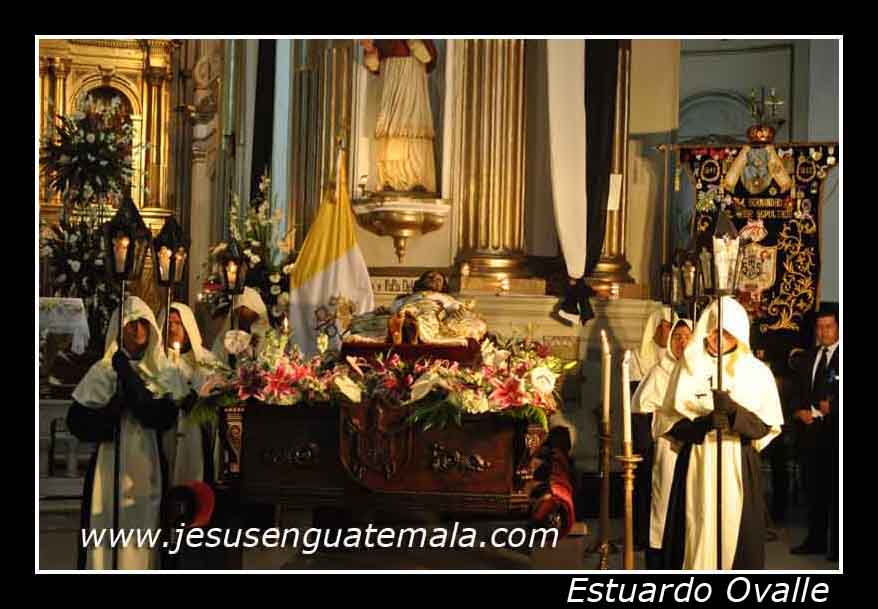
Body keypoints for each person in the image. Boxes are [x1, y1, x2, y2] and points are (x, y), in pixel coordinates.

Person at [655, 296, 784, 569]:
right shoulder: (689, 366)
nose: (718, 339)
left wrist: (735, 414)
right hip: (697, 460)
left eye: (726, 333)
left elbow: (764, 426)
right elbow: (671, 423)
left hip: (737, 461)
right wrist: (703, 424)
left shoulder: (756, 371)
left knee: (735, 536)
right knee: (694, 527)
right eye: (714, 332)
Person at [67, 296, 188, 570]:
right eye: (131, 324)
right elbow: (77, 422)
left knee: (146, 527)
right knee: (105, 521)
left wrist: (130, 382)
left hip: (148, 462)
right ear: (119, 328)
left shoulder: (163, 371)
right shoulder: (102, 371)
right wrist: (110, 413)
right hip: (108, 465)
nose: (138, 330)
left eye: (143, 323)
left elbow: (160, 416)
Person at [631, 317, 693, 568]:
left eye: (687, 337)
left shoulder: (701, 371)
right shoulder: (660, 371)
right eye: (677, 337)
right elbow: (641, 406)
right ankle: (660, 558)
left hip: (696, 446)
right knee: (664, 500)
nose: (682, 342)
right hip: (669, 444)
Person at [157, 302, 227, 488]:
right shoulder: (157, 360)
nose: (172, 329)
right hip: (167, 433)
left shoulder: (207, 360)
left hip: (197, 433)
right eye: (168, 323)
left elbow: (218, 393)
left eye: (178, 323)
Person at [790, 305, 839, 559]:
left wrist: (835, 407)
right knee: (814, 491)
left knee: (837, 493)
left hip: (836, 434)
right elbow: (797, 391)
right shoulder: (810, 357)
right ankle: (815, 541)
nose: (823, 332)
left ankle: (838, 548)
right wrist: (799, 411)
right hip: (811, 434)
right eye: (820, 327)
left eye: (829, 326)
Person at [361, 39, 438, 194]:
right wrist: (370, 50)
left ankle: (416, 178)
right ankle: (390, 178)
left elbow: (427, 57)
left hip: (411, 79)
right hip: (390, 82)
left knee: (412, 127)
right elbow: (375, 66)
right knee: (390, 127)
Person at [629, 304, 675, 548]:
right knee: (645, 480)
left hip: (671, 430)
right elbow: (637, 400)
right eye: (666, 326)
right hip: (645, 428)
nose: (669, 332)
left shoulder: (679, 357)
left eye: (672, 327)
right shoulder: (638, 356)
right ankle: (641, 534)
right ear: (654, 329)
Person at [210, 286, 270, 367]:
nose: (242, 315)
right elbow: (216, 360)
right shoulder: (226, 336)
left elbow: (268, 363)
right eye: (239, 311)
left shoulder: (266, 337)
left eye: (246, 310)